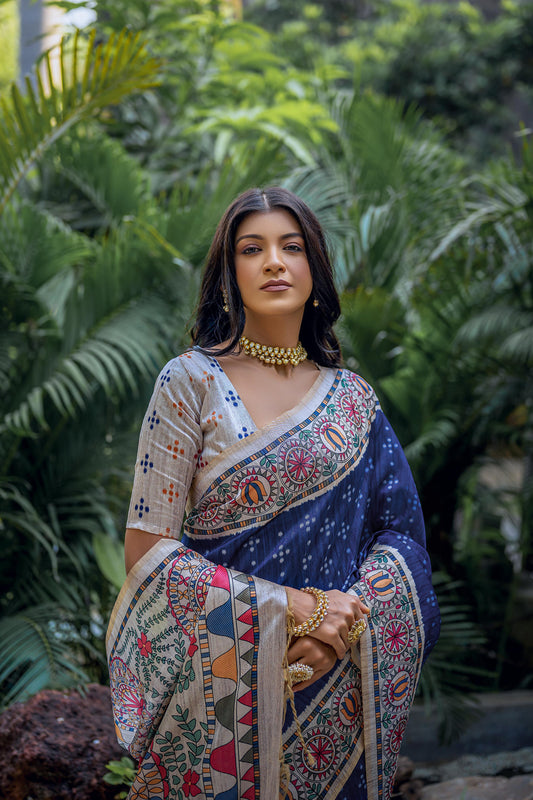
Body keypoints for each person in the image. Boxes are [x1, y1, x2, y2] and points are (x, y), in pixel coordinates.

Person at [106, 187, 441, 800]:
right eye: (251, 249)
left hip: (334, 676)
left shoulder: (354, 401)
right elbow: (149, 553)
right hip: (224, 690)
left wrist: (342, 622)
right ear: (229, 274)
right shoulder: (189, 383)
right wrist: (294, 607)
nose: (273, 262)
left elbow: (402, 541)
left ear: (314, 268)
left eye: (291, 247)